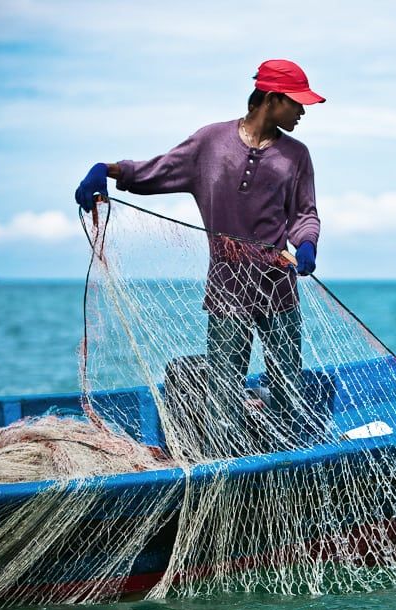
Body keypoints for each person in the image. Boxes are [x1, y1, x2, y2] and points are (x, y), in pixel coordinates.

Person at [74, 59, 325, 455]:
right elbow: (157, 170)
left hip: (280, 291)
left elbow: (304, 214)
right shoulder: (210, 143)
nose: (303, 111)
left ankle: (284, 464)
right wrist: (106, 170)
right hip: (227, 290)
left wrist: (306, 243)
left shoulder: (297, 156)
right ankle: (228, 471)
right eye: (296, 103)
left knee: (288, 390)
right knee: (223, 393)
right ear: (273, 99)